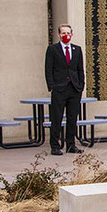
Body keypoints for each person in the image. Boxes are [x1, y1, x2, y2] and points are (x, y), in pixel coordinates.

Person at [43, 24, 86, 156]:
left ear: (72, 34)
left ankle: (71, 145)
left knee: (72, 118)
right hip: (59, 89)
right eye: (63, 33)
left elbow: (80, 69)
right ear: (59, 35)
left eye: (68, 32)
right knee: (57, 118)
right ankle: (55, 146)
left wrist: (81, 85)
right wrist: (52, 86)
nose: (66, 35)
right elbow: (48, 69)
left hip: (74, 89)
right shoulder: (52, 49)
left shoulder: (77, 49)